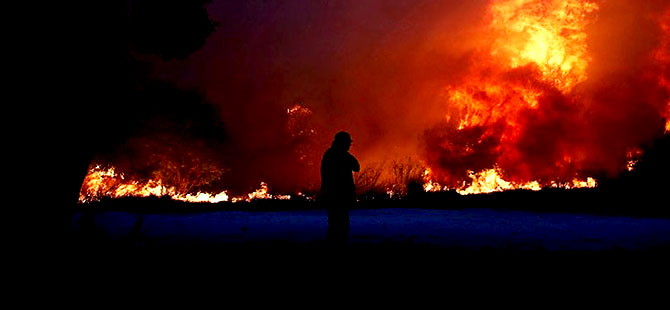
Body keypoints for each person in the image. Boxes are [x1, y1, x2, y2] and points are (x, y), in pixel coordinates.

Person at [320, 131, 360, 247]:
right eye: (348, 143)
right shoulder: (341, 156)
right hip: (339, 196)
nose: (349, 145)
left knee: (335, 225)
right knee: (340, 225)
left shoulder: (329, 154)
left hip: (332, 196)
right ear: (343, 143)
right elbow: (356, 167)